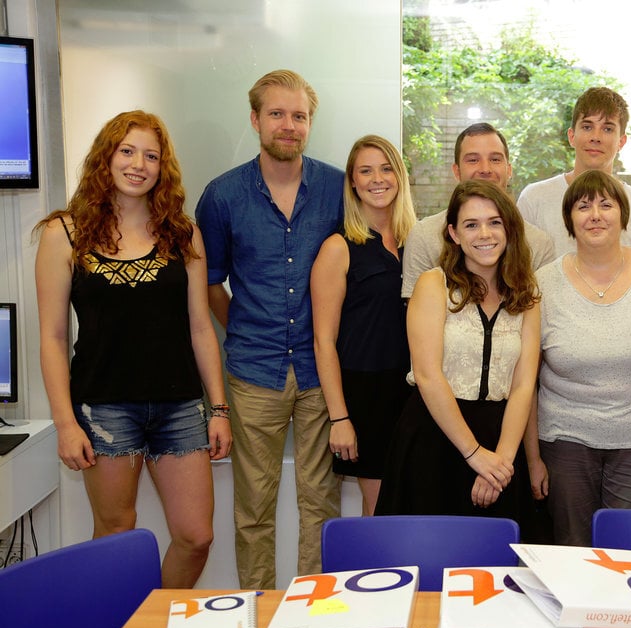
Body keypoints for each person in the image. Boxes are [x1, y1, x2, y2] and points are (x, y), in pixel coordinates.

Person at [35, 110, 232, 588]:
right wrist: (65, 424)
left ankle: (152, 622)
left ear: (163, 168)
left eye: (151, 155)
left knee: (196, 536)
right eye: (127, 151)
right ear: (107, 156)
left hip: (180, 406)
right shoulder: (64, 232)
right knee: (116, 534)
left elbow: (200, 328)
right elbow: (53, 338)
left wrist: (219, 408)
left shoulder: (181, 233)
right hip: (103, 407)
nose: (138, 164)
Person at [196, 69, 344, 589]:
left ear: (310, 123)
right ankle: (256, 616)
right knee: (254, 507)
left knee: (320, 505)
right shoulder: (222, 196)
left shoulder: (337, 188)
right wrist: (245, 328)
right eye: (277, 114)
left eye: (299, 116)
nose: (289, 125)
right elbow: (211, 283)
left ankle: (314, 614)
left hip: (320, 369)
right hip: (252, 371)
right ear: (255, 119)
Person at [526, 170, 631, 546]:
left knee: (630, 553)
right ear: (569, 221)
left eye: (606, 204)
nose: (595, 215)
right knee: (572, 551)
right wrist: (533, 458)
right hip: (565, 444)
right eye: (583, 206)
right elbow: (525, 381)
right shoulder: (543, 284)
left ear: (623, 216)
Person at [376, 180, 541, 530]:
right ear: (453, 233)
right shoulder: (433, 285)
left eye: (495, 222)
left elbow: (524, 384)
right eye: (471, 224)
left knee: (495, 567)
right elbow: (427, 375)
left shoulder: (527, 294)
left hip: (502, 440)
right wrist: (474, 454)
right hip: (434, 439)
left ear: (509, 228)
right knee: (426, 560)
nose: (485, 233)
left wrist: (501, 464)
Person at [310, 135, 415, 516]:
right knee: (380, 508)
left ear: (399, 176)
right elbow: (323, 341)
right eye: (365, 171)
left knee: (410, 503)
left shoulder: (415, 244)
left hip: (414, 390)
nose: (377, 179)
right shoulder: (338, 247)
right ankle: (373, 577)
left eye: (386, 168)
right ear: (352, 182)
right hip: (366, 393)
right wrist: (340, 417)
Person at [401, 122, 555, 299]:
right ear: (456, 171)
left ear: (509, 170)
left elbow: (543, 316)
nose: (485, 169)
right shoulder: (424, 236)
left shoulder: (538, 244)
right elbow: (415, 315)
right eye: (473, 160)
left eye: (495, 159)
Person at [516, 87, 631, 257]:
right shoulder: (534, 199)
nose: (596, 137)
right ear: (571, 136)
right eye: (587, 127)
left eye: (607, 129)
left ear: (621, 141)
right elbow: (517, 270)